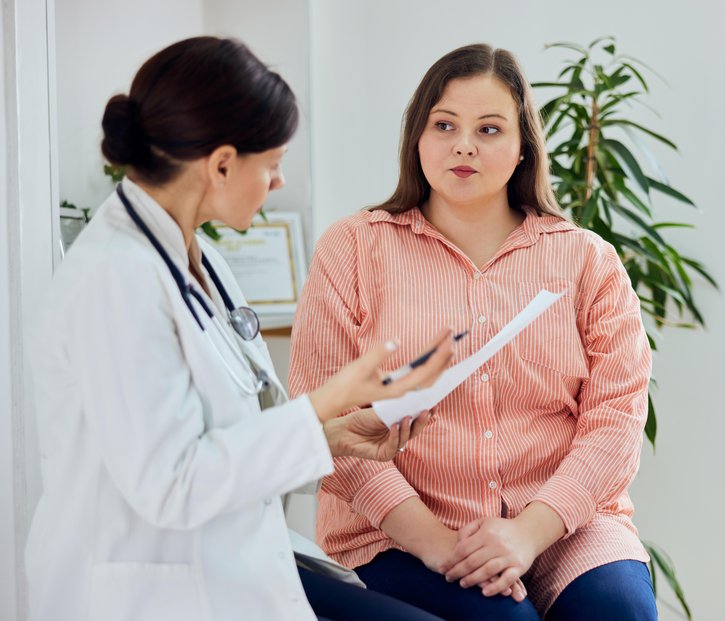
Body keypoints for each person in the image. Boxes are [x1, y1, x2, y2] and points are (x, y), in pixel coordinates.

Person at [24, 37, 451, 621]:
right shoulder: (114, 280)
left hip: (229, 564)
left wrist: (332, 434)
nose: (278, 182)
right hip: (148, 592)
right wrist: (326, 400)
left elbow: (230, 431)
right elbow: (172, 484)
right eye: (272, 163)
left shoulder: (200, 261)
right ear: (222, 164)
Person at [289, 43, 658, 621]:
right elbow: (325, 419)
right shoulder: (353, 249)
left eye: (489, 129)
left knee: (617, 613)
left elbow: (615, 423)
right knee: (501, 619)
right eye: (444, 125)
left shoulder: (587, 261)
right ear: (417, 137)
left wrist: (530, 532)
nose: (464, 144)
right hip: (397, 534)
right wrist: (439, 544)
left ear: (522, 150)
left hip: (565, 525)